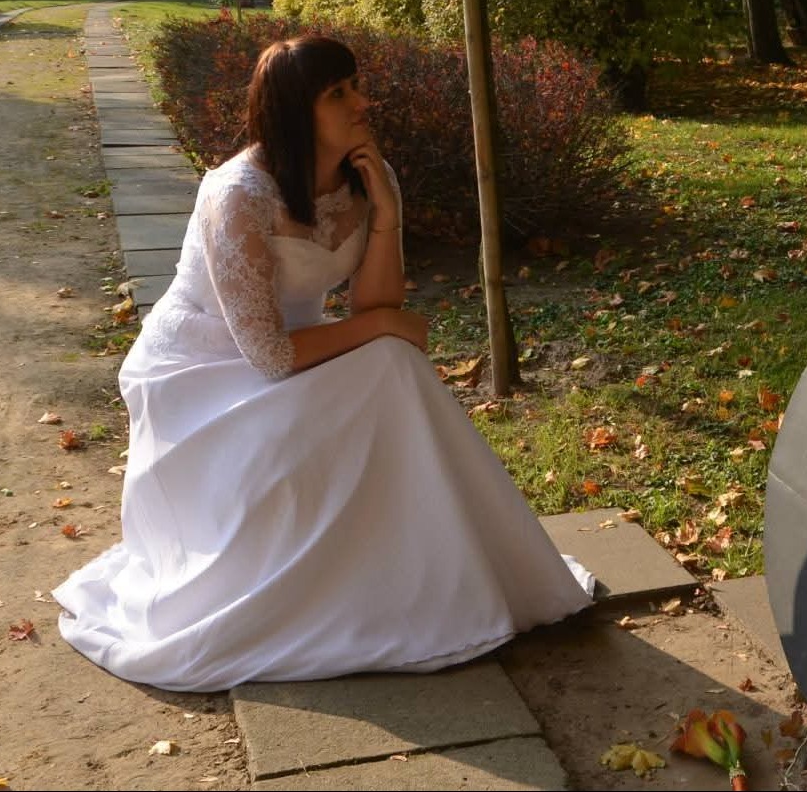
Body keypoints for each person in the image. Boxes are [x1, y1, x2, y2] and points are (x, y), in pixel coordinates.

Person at [54, 35, 592, 691]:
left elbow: (375, 304)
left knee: (394, 364)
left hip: (296, 347)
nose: (362, 102)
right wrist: (383, 325)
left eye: (355, 85)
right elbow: (270, 354)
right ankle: (378, 577)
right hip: (203, 372)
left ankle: (426, 571)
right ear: (295, 112)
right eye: (338, 94)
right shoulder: (239, 195)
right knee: (389, 353)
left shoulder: (369, 176)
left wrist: (386, 214)